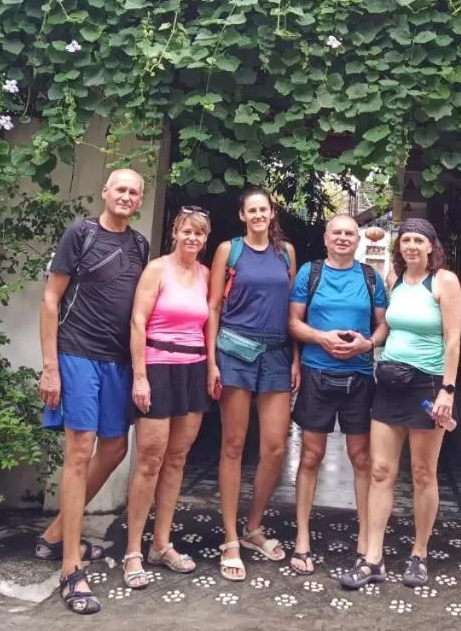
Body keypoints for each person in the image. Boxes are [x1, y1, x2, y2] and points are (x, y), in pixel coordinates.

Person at [37, 169, 150, 616]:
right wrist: (50, 367)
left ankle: (55, 534)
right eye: (119, 188)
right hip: (77, 354)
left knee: (116, 447)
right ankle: (70, 568)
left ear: (140, 201)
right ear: (104, 192)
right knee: (80, 450)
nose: (126, 196)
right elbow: (51, 299)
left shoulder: (140, 245)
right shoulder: (79, 235)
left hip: (118, 360)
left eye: (133, 192)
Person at [340, 217, 461, 592]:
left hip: (427, 388)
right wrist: (365, 344)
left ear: (430, 247)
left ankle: (419, 552)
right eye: (406, 240)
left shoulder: (444, 281)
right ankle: (373, 557)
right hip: (389, 385)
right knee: (380, 471)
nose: (411, 246)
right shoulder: (394, 281)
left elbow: (453, 340)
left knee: (423, 473)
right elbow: (389, 329)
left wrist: (448, 390)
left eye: (418, 241)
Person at [205, 187, 298, 581]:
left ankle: (253, 527)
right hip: (235, 352)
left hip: (277, 353)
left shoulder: (286, 252)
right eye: (251, 210)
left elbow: (295, 307)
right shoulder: (230, 250)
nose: (258, 215)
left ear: (271, 212)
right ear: (243, 216)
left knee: (275, 447)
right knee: (234, 445)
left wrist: (296, 358)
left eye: (264, 209)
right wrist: (211, 361)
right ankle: (229, 537)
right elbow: (213, 306)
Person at [287, 214, 388, 575]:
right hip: (318, 374)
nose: (343, 238)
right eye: (338, 233)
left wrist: (367, 344)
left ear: (358, 240)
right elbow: (293, 322)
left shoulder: (370, 277)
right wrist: (321, 338)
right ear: (326, 238)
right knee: (311, 456)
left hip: (359, 377)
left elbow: (383, 325)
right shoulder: (310, 274)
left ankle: (365, 541)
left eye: (350, 233)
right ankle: (302, 539)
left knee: (361, 458)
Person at [121, 208, 213, 588]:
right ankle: (132, 553)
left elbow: (209, 323)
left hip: (193, 370)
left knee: (176, 460)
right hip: (158, 368)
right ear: (175, 231)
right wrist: (140, 377)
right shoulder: (156, 269)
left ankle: (161, 544)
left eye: (199, 234)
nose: (192, 238)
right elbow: (137, 322)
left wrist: (212, 369)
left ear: (205, 240)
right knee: (150, 461)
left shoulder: (206, 274)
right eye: (187, 231)